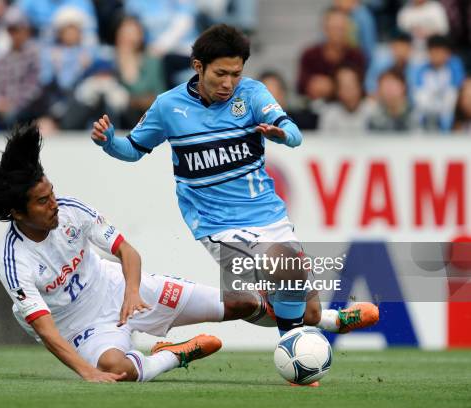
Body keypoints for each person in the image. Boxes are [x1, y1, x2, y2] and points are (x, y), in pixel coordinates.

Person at [91, 24, 379, 341]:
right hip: (215, 222)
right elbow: (133, 150)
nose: (229, 83)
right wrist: (108, 142)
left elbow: (295, 135)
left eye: (236, 74)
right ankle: (294, 349)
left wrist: (283, 135)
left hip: (267, 215)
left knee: (304, 312)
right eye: (220, 73)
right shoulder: (168, 106)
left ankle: (327, 320)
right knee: (249, 296)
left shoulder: (252, 94)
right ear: (198, 66)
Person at [0, 123, 269, 382]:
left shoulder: (73, 211)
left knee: (242, 303)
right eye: (42, 201)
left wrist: (133, 292)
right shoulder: (14, 260)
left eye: (52, 194)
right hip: (79, 327)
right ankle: (172, 356)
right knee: (117, 369)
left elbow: (126, 250)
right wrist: (87, 372)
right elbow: (46, 330)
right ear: (18, 214)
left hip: (117, 288)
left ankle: (315, 320)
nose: (54, 204)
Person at [297, 8, 366, 102]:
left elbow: (361, 89)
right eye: (333, 28)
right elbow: (302, 86)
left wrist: (332, 86)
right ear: (324, 29)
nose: (337, 33)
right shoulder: (309, 55)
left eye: (341, 29)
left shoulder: (356, 56)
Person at [318, 66, 372, 132]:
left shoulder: (372, 111)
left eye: (351, 84)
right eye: (343, 85)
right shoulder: (329, 113)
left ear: (360, 86)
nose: (348, 89)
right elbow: (323, 141)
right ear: (337, 90)